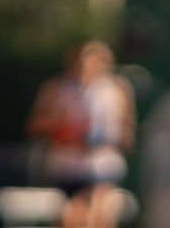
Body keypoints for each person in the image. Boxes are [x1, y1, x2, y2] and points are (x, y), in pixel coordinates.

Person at [27, 40, 136, 228]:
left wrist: (108, 137)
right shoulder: (57, 89)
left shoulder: (116, 90)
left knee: (98, 215)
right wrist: (63, 128)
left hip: (101, 165)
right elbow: (36, 126)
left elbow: (127, 133)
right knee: (71, 218)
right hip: (66, 166)